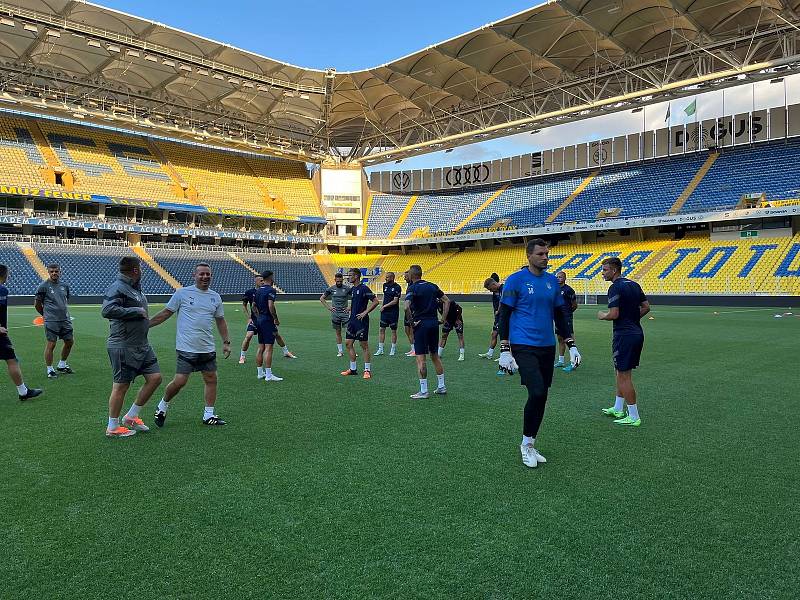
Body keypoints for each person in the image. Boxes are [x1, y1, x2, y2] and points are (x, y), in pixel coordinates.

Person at [497, 239, 582, 468]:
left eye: (547, 253)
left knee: (542, 395)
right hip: (523, 344)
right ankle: (524, 446)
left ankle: (530, 443)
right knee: (536, 391)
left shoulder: (552, 282)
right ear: (529, 256)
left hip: (547, 346)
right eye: (541, 254)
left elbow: (560, 315)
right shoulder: (516, 280)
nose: (546, 257)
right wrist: (504, 349)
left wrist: (571, 344)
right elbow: (504, 315)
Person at [149, 263, 231, 427]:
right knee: (180, 382)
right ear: (194, 275)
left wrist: (226, 342)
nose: (205, 277)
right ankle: (162, 406)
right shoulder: (182, 293)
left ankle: (209, 415)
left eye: (208, 274)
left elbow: (220, 320)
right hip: (186, 348)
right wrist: (146, 325)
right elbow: (166, 313)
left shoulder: (215, 297)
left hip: (207, 348)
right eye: (202, 274)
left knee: (211, 379)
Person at [101, 256, 162, 437]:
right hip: (124, 345)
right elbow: (106, 310)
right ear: (136, 270)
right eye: (140, 268)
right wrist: (134, 311)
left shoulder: (134, 288)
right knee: (121, 386)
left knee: (155, 378)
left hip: (142, 345)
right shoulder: (118, 287)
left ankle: (131, 416)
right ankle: (112, 427)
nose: (142, 271)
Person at [597, 257, 650, 427]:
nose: (603, 273)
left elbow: (613, 314)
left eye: (605, 270)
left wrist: (602, 316)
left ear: (614, 270)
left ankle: (634, 416)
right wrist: (633, 319)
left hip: (624, 335)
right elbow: (646, 307)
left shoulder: (615, 287)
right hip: (636, 332)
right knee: (620, 371)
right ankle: (618, 407)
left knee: (624, 376)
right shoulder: (634, 284)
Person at [405, 265, 448, 398]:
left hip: (421, 325)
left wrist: (411, 322)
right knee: (434, 355)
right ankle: (441, 386)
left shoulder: (412, 288)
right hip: (433, 323)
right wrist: (443, 319)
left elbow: (406, 307)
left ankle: (423, 391)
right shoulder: (432, 286)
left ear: (412, 276)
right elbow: (447, 301)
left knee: (421, 358)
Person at [0, 265, 42, 401]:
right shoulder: (2, 290)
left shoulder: (3, 290)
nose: (8, 276)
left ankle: (23, 391)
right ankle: (23, 392)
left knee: (11, 359)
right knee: (12, 359)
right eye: (8, 273)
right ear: (4, 274)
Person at [240, 274, 296, 363]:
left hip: (265, 320)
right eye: (260, 281)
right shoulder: (250, 292)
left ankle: (286, 352)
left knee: (276, 335)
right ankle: (242, 356)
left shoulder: (264, 291)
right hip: (256, 320)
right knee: (248, 336)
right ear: (256, 282)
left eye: (263, 280)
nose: (262, 282)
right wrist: (249, 317)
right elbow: (244, 305)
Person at [34, 264, 74, 378]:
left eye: (56, 271)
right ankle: (50, 369)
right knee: (51, 344)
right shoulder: (43, 286)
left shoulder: (65, 286)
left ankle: (62, 364)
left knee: (69, 342)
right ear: (48, 272)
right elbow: (37, 304)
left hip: (65, 319)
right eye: (52, 271)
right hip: (51, 320)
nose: (54, 273)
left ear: (60, 272)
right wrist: (45, 314)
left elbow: (65, 301)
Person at [341, 268, 379, 379]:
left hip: (361, 321)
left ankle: (367, 370)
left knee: (364, 345)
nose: (349, 277)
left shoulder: (364, 288)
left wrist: (365, 312)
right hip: (352, 320)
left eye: (351, 275)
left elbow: (376, 301)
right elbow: (355, 302)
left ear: (356, 276)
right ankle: (353, 369)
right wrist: (350, 308)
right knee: (348, 343)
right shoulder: (353, 289)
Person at [252, 270, 283, 382]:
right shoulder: (271, 290)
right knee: (269, 347)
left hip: (259, 320)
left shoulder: (258, 290)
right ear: (270, 277)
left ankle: (260, 373)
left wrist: (258, 316)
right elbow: (271, 306)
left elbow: (253, 306)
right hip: (267, 321)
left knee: (261, 347)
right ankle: (269, 375)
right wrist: (275, 318)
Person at [320, 272, 351, 356]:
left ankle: (351, 349)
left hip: (345, 314)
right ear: (335, 280)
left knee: (349, 332)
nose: (339, 283)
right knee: (338, 332)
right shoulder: (331, 289)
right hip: (335, 314)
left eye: (341, 281)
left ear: (342, 280)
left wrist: (350, 307)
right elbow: (322, 298)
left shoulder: (347, 289)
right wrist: (329, 307)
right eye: (338, 281)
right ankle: (340, 351)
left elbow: (355, 298)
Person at [554, 271, 579, 372]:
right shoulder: (554, 290)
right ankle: (561, 360)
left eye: (560, 277)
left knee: (569, 339)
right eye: (557, 277)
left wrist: (567, 313)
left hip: (566, 317)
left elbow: (574, 305)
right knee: (560, 338)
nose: (558, 278)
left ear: (564, 278)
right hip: (558, 317)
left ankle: (574, 362)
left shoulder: (569, 290)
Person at [376, 271, 402, 356]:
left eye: (387, 277)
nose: (385, 278)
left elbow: (395, 301)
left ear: (392, 278)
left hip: (393, 312)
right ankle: (381, 349)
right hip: (385, 312)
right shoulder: (385, 285)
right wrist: (382, 305)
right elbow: (385, 296)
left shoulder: (397, 287)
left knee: (393, 331)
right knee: (381, 329)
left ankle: (393, 349)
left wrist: (384, 306)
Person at [478, 277, 504, 360]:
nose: (490, 291)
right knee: (494, 334)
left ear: (493, 284)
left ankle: (504, 356)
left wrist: (498, 310)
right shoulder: (495, 292)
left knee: (504, 337)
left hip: (503, 317)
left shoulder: (504, 289)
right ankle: (489, 354)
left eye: (490, 289)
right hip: (498, 317)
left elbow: (503, 301)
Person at [402, 270, 415, 357]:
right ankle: (413, 348)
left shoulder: (414, 286)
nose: (404, 278)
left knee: (413, 330)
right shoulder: (409, 285)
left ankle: (416, 349)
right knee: (407, 330)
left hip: (413, 311)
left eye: (406, 276)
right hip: (408, 311)